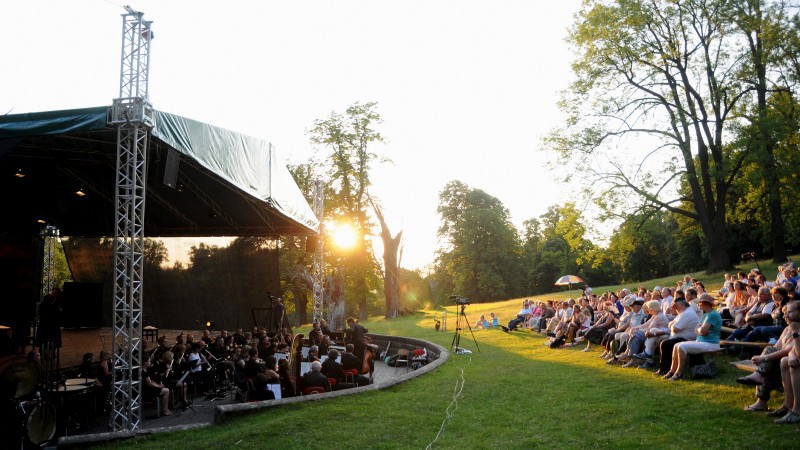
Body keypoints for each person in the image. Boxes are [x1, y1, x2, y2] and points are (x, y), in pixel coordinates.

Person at [738, 300, 798, 413]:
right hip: (780, 363)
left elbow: (789, 350)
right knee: (768, 359)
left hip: (791, 364)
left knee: (767, 360)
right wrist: (767, 358)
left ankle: (761, 399)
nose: (786, 316)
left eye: (789, 312)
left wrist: (764, 358)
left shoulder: (797, 330)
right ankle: (759, 378)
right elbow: (777, 346)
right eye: (784, 313)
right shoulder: (787, 329)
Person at [664, 293, 722, 381]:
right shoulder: (706, 315)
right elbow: (698, 330)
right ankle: (672, 371)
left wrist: (701, 330)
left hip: (710, 343)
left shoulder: (712, 315)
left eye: (700, 303)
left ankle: (679, 373)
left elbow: (701, 330)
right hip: (701, 341)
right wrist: (701, 330)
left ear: (705, 303)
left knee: (681, 346)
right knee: (677, 345)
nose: (698, 304)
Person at [655, 298, 700, 375]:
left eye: (676, 307)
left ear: (681, 305)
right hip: (679, 337)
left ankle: (665, 369)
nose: (675, 309)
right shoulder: (683, 313)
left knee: (665, 344)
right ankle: (663, 368)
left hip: (687, 339)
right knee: (662, 341)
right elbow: (670, 324)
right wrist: (672, 324)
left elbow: (675, 329)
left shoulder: (687, 314)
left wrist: (672, 325)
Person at [775, 304, 800, 424]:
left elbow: (798, 352)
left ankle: (797, 410)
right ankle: (788, 406)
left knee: (794, 364)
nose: (786, 315)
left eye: (790, 312)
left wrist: (795, 332)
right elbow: (792, 349)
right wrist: (792, 355)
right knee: (785, 360)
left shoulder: (795, 328)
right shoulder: (791, 327)